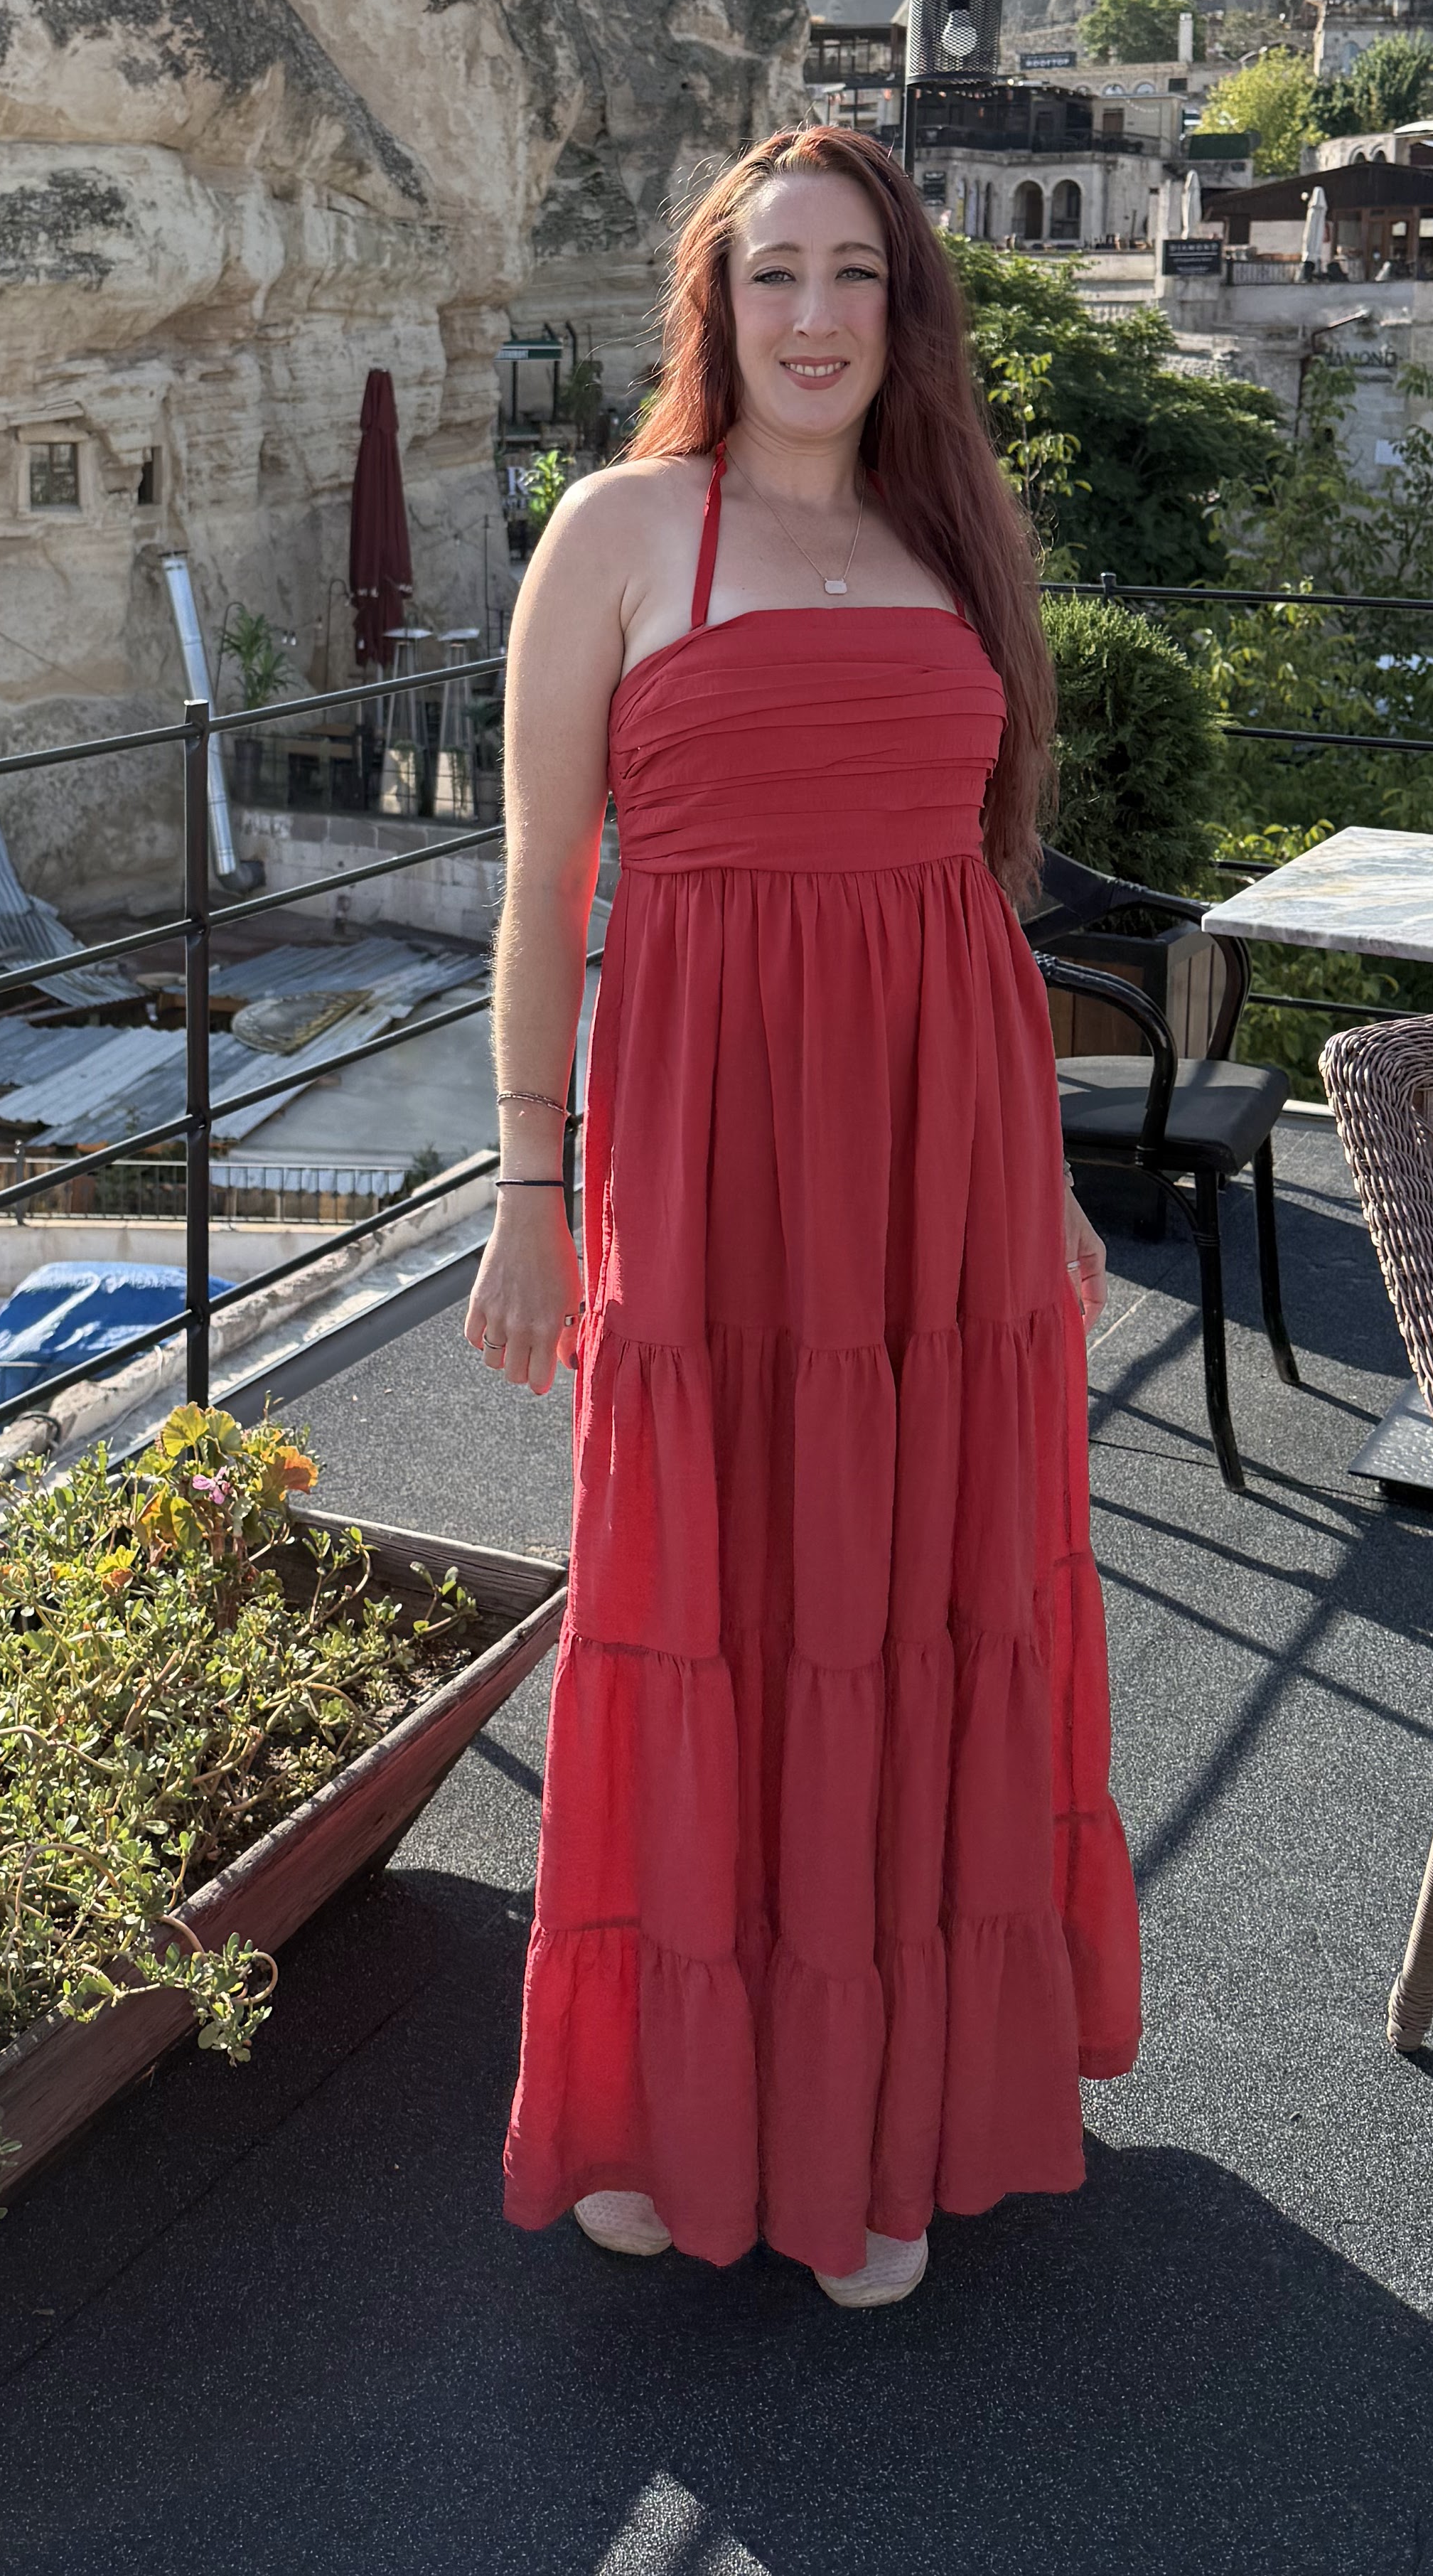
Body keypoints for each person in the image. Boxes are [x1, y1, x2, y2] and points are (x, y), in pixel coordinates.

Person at [470, 123, 1140, 2306]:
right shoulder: (620, 528)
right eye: (774, 272)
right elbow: (543, 890)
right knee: (706, 1583)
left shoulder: (952, 541)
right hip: (705, 1149)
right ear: (716, 301)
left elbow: (974, 892)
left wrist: (1041, 1182)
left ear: (905, 307)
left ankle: (880, 2129)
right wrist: (526, 1187)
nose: (815, 313)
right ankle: (676, 2107)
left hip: (940, 1169)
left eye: (855, 272)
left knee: (912, 1593)